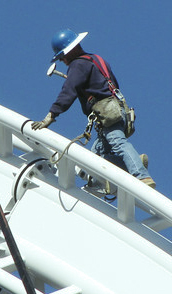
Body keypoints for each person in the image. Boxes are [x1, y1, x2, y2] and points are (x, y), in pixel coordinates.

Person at [31, 29, 156, 189]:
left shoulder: (78, 64)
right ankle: (131, 164)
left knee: (118, 143)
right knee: (95, 157)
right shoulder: (96, 59)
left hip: (107, 113)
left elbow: (69, 91)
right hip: (118, 110)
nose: (62, 61)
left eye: (62, 56)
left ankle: (141, 175)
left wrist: (51, 115)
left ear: (69, 51)